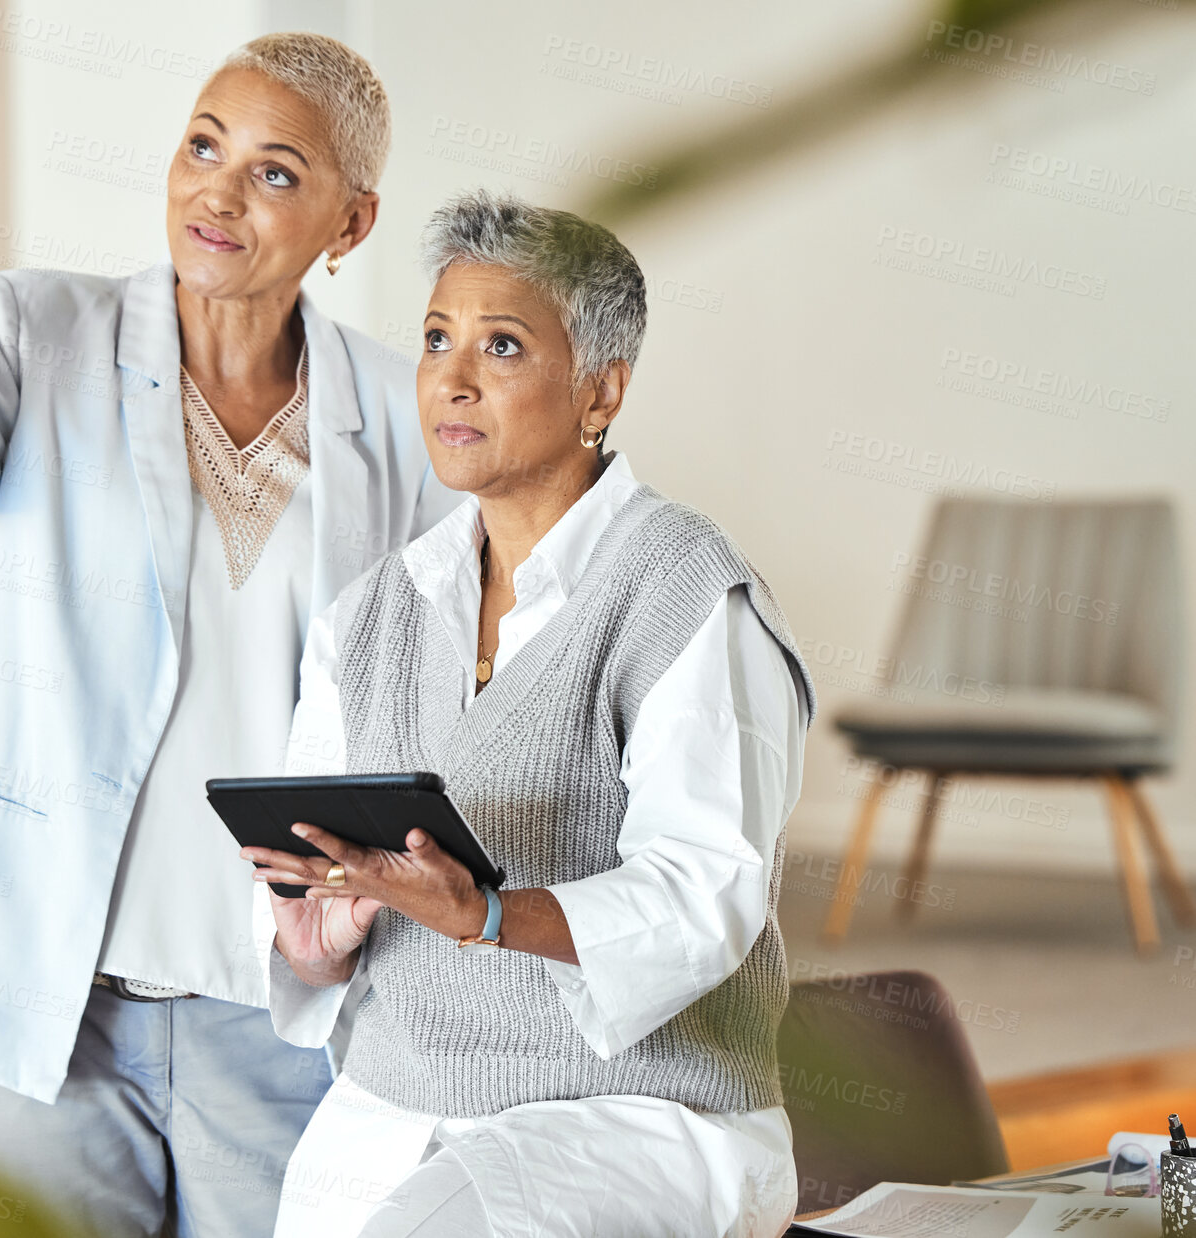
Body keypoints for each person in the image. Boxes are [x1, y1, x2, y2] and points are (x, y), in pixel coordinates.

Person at [0, 33, 456, 1238]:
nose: (217, 187)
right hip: (34, 993)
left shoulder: (405, 420)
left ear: (348, 224)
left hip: (283, 1009)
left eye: (273, 170)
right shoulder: (36, 328)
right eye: (203, 145)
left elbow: (450, 683)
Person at [242, 190, 819, 1238]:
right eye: (433, 339)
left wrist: (492, 915)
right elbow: (310, 915)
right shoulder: (367, 615)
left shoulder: (685, 589)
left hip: (638, 1113)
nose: (450, 380)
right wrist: (315, 941)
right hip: (396, 1104)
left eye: (500, 345)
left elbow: (704, 893)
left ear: (603, 388)